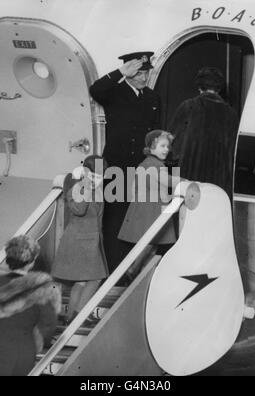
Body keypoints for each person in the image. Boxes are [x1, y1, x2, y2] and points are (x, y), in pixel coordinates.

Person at [90, 51, 161, 271]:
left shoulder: (152, 97)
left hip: (142, 169)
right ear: (129, 72)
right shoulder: (115, 92)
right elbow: (95, 90)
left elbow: (156, 134)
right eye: (138, 73)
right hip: (117, 169)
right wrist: (120, 73)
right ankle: (113, 272)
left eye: (146, 73)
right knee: (114, 222)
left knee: (138, 221)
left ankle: (130, 271)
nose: (143, 77)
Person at [0, 235, 61, 376]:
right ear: (31, 262)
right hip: (24, 348)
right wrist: (38, 341)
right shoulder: (40, 287)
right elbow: (49, 324)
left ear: (8, 259)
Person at [52, 155, 109, 325]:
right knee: (95, 279)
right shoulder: (78, 188)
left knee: (82, 281)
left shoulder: (96, 189)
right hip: (79, 241)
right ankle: (79, 315)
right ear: (85, 173)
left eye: (98, 177)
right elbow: (78, 209)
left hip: (90, 240)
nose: (95, 180)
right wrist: (85, 185)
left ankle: (71, 319)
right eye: (91, 176)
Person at [118, 130, 180, 280]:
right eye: (162, 146)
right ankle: (134, 270)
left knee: (150, 245)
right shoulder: (160, 166)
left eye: (168, 146)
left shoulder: (143, 164)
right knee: (152, 243)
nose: (166, 149)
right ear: (152, 147)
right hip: (155, 210)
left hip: (141, 208)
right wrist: (186, 182)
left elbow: (133, 189)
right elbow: (165, 190)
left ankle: (140, 276)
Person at [169, 66, 239, 198]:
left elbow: (173, 145)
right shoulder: (231, 114)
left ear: (199, 86)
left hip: (190, 177)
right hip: (220, 182)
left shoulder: (189, 106)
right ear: (219, 88)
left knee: (189, 216)